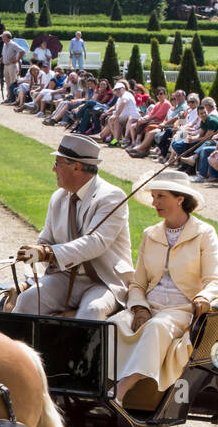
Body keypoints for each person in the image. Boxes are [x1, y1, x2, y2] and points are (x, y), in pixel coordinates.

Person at [110, 170, 218, 406]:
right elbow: (138, 283)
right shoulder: (150, 234)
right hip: (151, 306)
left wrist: (203, 297)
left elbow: (215, 280)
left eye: (160, 197)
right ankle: (104, 383)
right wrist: (139, 307)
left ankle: (120, 391)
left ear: (180, 199)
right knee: (113, 325)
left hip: (182, 308)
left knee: (156, 327)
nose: (154, 203)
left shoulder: (204, 234)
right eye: (153, 197)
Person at [12, 134, 132, 321]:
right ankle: (21, 350)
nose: (53, 169)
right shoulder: (59, 197)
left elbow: (96, 242)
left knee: (93, 310)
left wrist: (47, 252)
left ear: (76, 166)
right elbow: (46, 240)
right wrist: (36, 250)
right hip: (65, 277)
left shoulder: (111, 197)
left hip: (103, 281)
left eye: (57, 163)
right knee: (27, 300)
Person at [0, 32, 23, 100]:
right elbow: (4, 55)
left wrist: (17, 59)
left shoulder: (13, 44)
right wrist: (0, 61)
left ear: (7, 37)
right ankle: (9, 97)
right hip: (6, 65)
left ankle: (13, 98)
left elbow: (22, 51)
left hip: (12, 65)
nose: (2, 38)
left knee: (12, 82)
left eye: (3, 36)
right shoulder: (4, 44)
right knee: (7, 82)